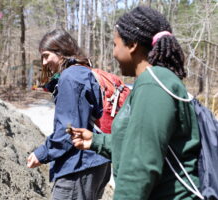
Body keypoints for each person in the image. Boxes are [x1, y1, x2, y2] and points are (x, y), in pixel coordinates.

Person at [70, 6, 201, 200]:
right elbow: (142, 143)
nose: (113, 53)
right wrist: (97, 141)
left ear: (132, 45)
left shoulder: (153, 84)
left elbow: (140, 165)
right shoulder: (152, 81)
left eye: (115, 45)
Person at [26, 29, 111, 200]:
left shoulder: (70, 78)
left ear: (61, 52)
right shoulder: (84, 72)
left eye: (46, 55)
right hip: (97, 164)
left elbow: (68, 131)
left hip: (78, 166)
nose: (43, 62)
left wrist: (42, 154)